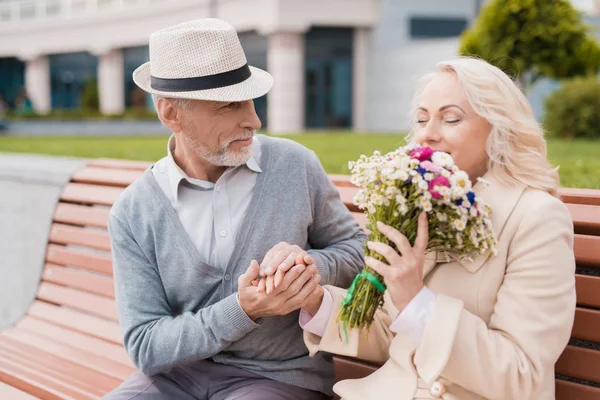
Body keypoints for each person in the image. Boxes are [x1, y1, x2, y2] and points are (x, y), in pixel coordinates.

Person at [104, 18, 366, 399]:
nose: (254, 120)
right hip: (175, 378)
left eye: (251, 101)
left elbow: (359, 251)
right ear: (171, 114)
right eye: (230, 106)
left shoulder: (294, 165)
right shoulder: (134, 210)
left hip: (279, 377)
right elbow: (145, 345)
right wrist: (241, 309)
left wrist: (308, 269)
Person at [295, 57, 576, 400]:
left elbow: (521, 375)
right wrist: (315, 300)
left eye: (451, 118)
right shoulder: (423, 204)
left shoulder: (536, 218)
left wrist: (417, 300)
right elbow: (396, 334)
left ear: (499, 128)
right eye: (422, 119)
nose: (428, 133)